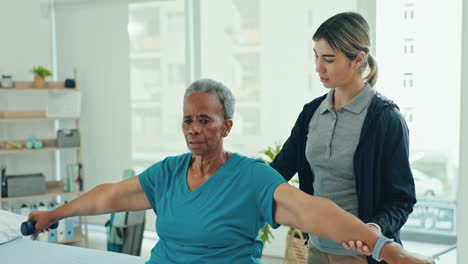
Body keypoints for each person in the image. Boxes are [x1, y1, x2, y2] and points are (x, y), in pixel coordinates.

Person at [28, 79, 432, 264]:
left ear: (227, 126)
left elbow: (312, 211)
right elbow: (107, 196)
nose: (194, 129)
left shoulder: (251, 177)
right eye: (187, 120)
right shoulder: (168, 173)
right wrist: (54, 214)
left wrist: (386, 249)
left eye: (205, 119)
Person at [270, 12, 417, 264]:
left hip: (360, 255)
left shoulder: (385, 119)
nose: (318, 68)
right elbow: (279, 170)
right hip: (315, 249)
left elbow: (401, 198)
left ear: (357, 59)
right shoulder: (311, 113)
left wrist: (374, 228)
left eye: (328, 59)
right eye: (316, 56)